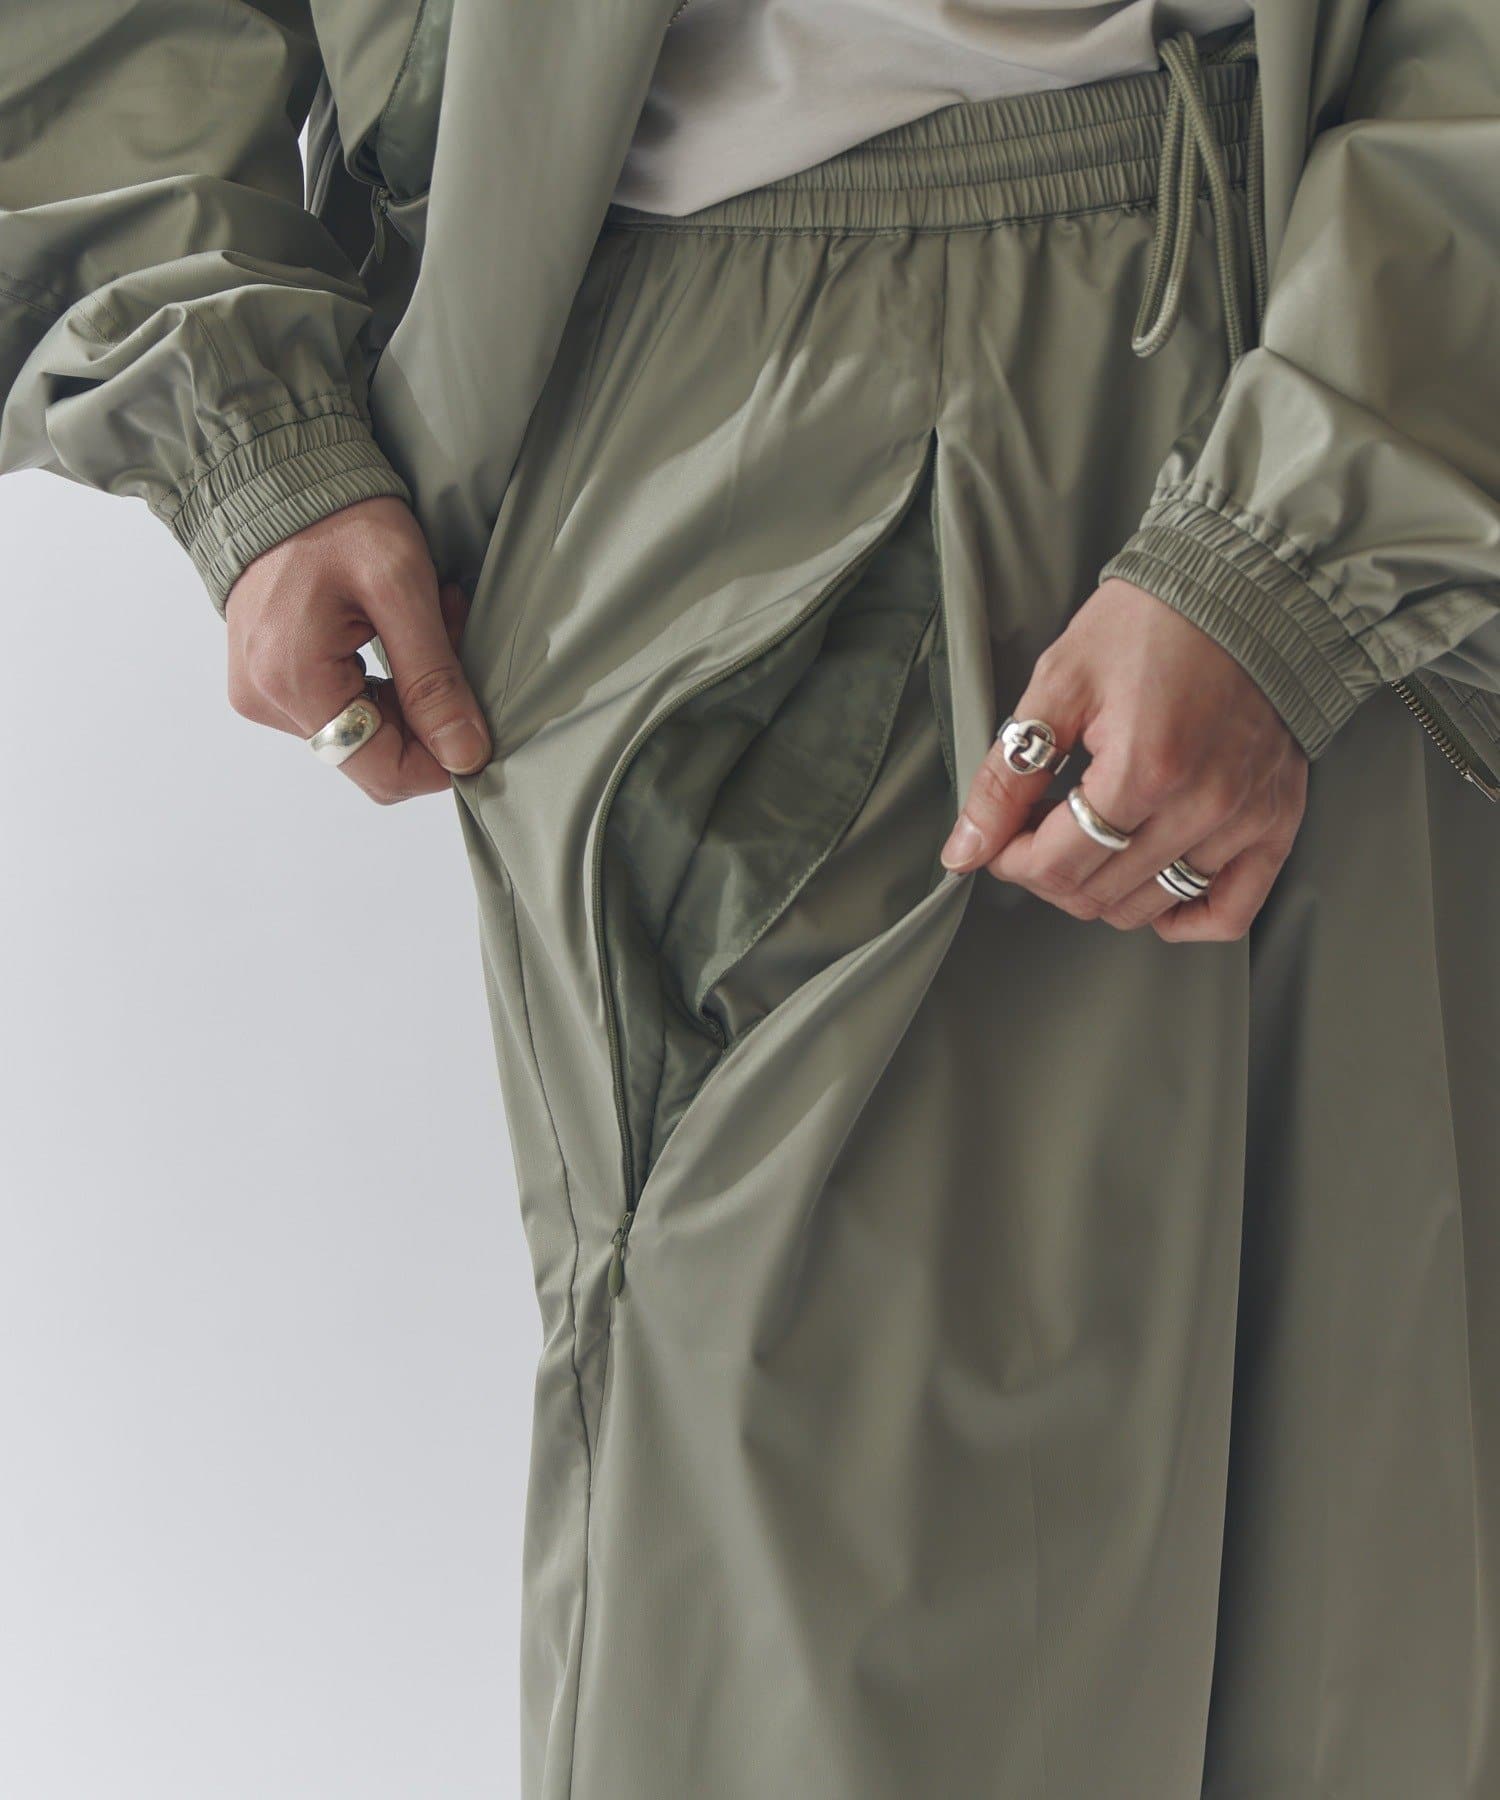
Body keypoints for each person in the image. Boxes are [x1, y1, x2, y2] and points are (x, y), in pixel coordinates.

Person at [3, 1, 1498, 1793]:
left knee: (1382, 1658)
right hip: (786, 423)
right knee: (842, 1691)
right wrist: (232, 405)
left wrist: (1332, 506)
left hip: (1392, 348)